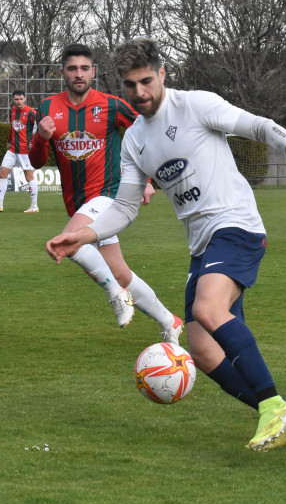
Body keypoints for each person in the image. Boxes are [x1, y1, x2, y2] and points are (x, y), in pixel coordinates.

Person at [44, 38, 286, 452]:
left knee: (206, 309)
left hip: (236, 225)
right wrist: (81, 236)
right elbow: (124, 209)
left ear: (162, 74)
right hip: (202, 244)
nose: (139, 93)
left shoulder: (195, 105)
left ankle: (275, 407)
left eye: (146, 81)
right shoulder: (136, 139)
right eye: (129, 85)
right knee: (203, 352)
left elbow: (258, 125)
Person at [29, 43, 183, 342]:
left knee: (70, 242)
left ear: (94, 72)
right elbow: (35, 161)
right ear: (62, 72)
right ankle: (170, 321)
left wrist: (147, 179)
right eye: (72, 68)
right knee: (121, 272)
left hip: (109, 193)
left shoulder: (111, 105)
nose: (78, 74)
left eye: (85, 68)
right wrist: (41, 138)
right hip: (78, 203)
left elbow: (147, 132)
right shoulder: (48, 108)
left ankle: (117, 295)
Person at [0, 90, 40, 213]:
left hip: (25, 151)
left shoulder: (31, 112)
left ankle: (34, 206)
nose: (19, 101)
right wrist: (8, 140)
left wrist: (34, 143)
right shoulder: (13, 111)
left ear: (25, 99)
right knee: (2, 174)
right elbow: (12, 127)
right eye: (16, 99)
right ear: (13, 100)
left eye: (21, 99)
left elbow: (38, 128)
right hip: (12, 149)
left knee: (29, 177)